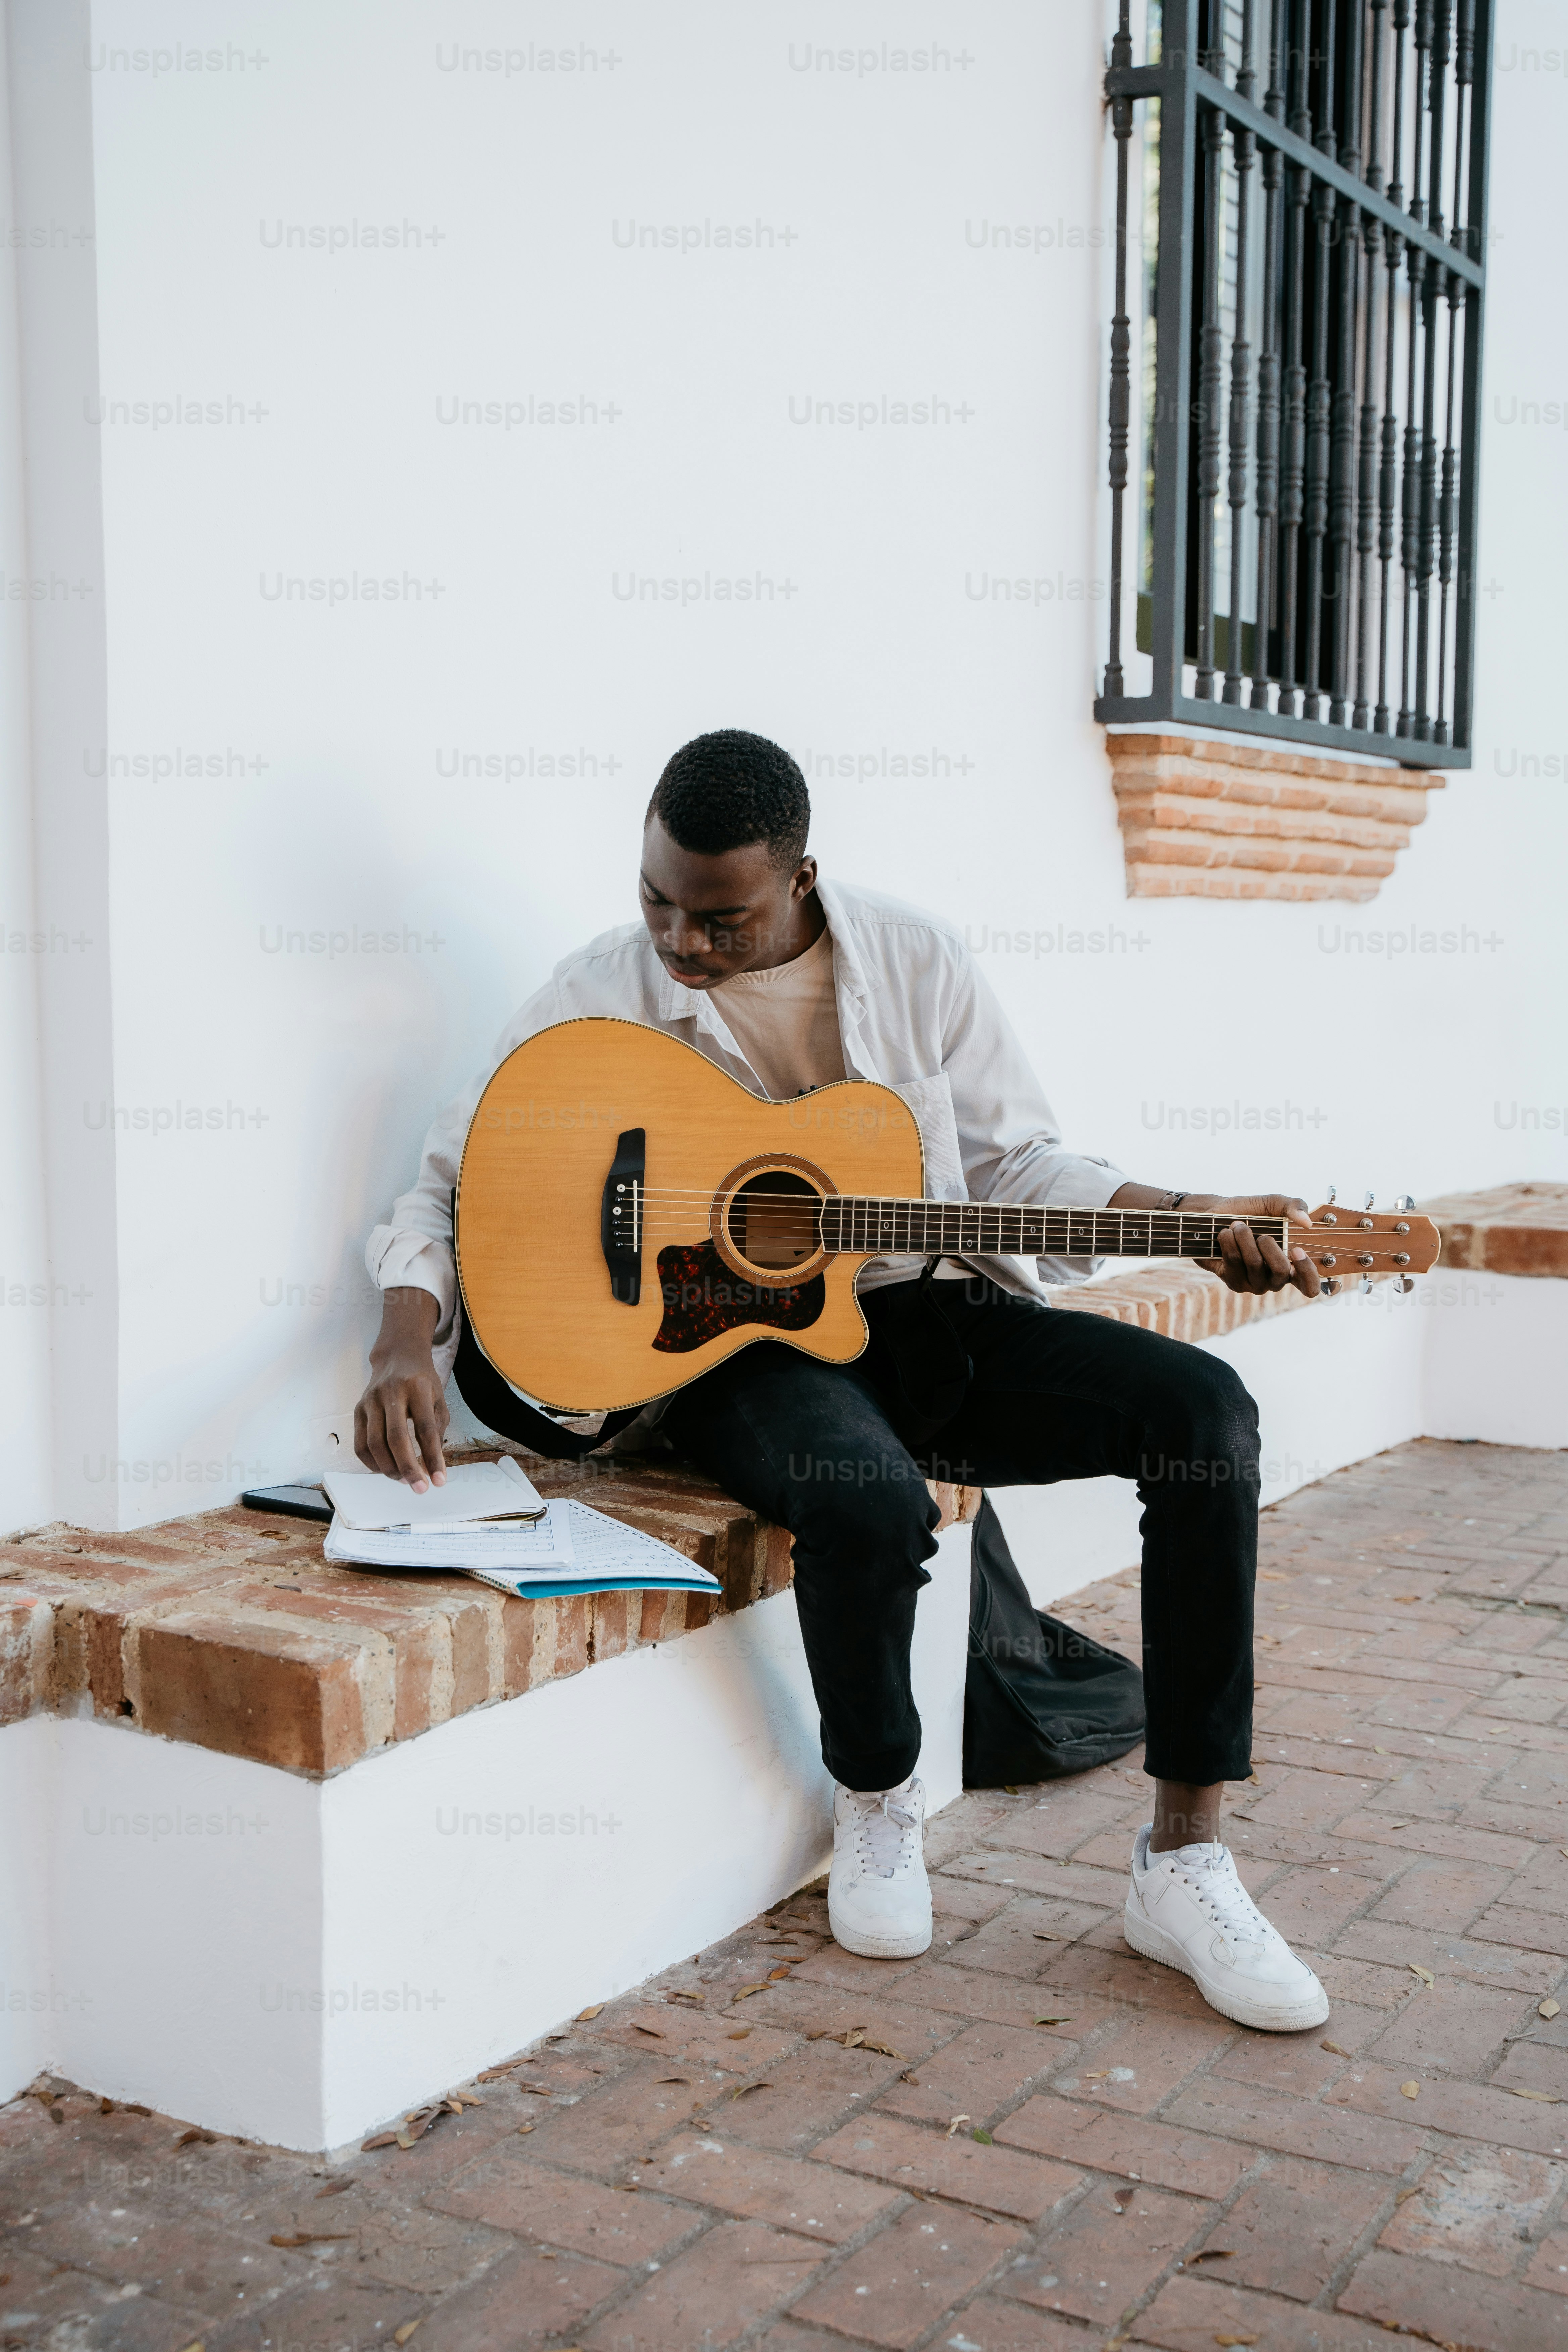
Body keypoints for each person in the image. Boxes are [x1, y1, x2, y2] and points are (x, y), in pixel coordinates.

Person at [357, 730, 1330, 2033]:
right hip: (736, 1350)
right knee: (867, 1505)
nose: (680, 945)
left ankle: (1186, 1859)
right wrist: (403, 1339)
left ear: (801, 876)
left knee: (1204, 1413)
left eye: (719, 918)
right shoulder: (594, 991)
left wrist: (1191, 1212)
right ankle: (878, 1799)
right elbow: (447, 1178)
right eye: (656, 901)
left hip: (926, 1317)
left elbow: (1013, 1169)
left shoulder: (915, 963)